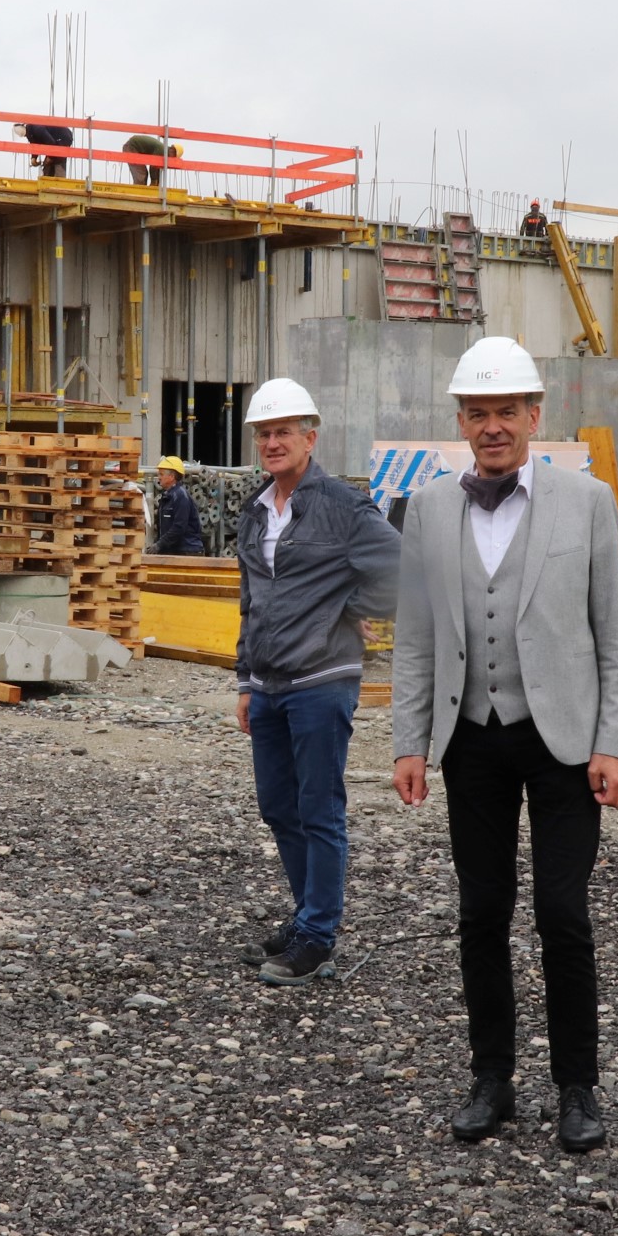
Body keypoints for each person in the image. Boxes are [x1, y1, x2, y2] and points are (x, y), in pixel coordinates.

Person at [389, 338, 618, 1150]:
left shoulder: (587, 501)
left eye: (506, 412)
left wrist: (616, 743)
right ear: (459, 420)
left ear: (535, 415)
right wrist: (410, 740)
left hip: (563, 738)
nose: (492, 426)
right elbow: (418, 636)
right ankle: (491, 1077)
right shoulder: (428, 508)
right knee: (482, 909)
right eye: (477, 412)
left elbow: (615, 634)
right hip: (473, 737)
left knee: (563, 913)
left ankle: (578, 1088)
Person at [234, 377, 402, 985]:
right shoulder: (256, 511)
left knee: (319, 805)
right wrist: (246, 681)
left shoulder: (342, 505)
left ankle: (318, 934)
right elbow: (250, 598)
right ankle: (308, 914)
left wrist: (347, 608)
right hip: (271, 683)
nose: (273, 442)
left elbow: (400, 570)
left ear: (311, 437)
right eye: (264, 433)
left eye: (283, 432)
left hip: (323, 680)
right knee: (278, 805)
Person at [150, 455, 205, 556]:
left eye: (161, 474)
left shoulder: (180, 496)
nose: (159, 477)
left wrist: (159, 545)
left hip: (187, 552)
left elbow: (179, 527)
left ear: (171, 477)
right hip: (175, 551)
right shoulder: (167, 496)